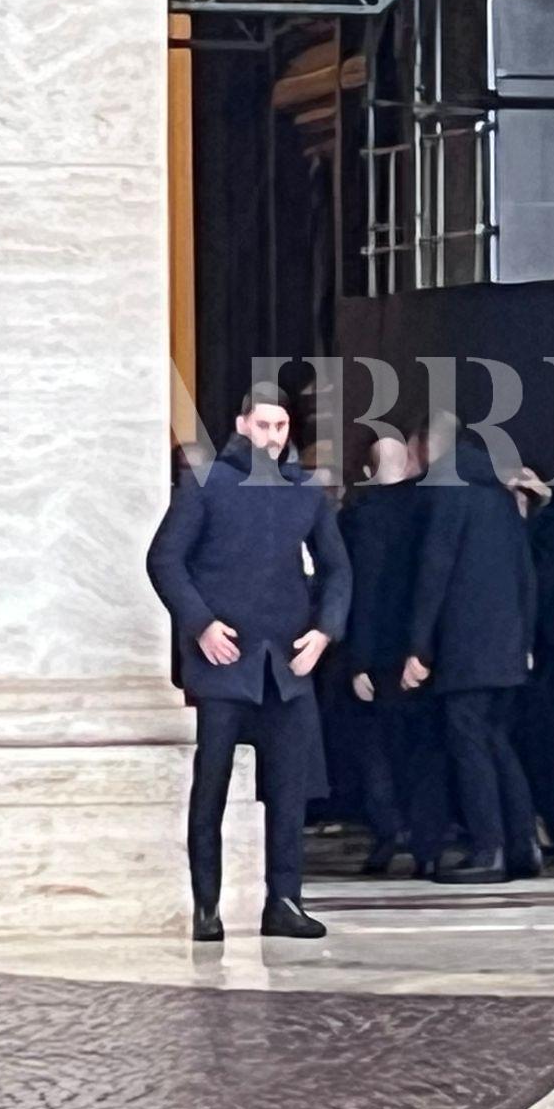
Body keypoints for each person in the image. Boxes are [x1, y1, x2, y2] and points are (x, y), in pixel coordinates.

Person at [147, 383, 352, 941]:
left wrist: (325, 632)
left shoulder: (304, 492)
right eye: (263, 425)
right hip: (224, 658)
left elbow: (338, 568)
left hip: (288, 662)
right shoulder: (208, 484)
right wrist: (201, 625)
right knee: (209, 785)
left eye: (282, 427)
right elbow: (165, 559)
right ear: (242, 426)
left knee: (289, 788)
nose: (273, 436)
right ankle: (206, 905)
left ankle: (284, 900)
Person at [404, 423, 541, 885]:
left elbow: (434, 572)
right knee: (499, 743)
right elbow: (527, 573)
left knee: (469, 746)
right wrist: (525, 641)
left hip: (466, 646)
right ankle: (525, 845)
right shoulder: (501, 497)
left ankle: (489, 849)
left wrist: (419, 646)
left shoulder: (448, 492)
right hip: (507, 645)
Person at [338, 433, 447, 876]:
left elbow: (360, 590)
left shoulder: (360, 516)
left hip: (378, 649)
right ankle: (427, 844)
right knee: (424, 749)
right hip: (423, 649)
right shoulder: (432, 510)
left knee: (376, 747)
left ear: (367, 471)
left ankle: (388, 831)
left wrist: (357, 659)